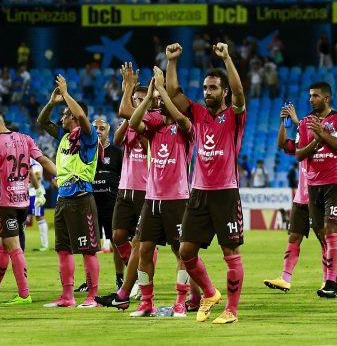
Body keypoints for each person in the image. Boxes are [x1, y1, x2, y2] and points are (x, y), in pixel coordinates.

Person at [165, 42, 246, 324]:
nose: (207, 92)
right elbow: (173, 94)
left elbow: (239, 93)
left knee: (230, 252)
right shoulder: (197, 113)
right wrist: (172, 61)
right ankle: (210, 293)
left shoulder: (234, 115)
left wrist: (227, 58)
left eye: (213, 88)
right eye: (205, 88)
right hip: (198, 192)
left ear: (223, 92)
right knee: (186, 251)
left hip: (225, 193)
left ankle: (231, 311)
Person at [124, 67, 195, 318]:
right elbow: (133, 122)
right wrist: (148, 96)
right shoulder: (153, 125)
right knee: (144, 250)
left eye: (163, 100)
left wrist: (163, 91)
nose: (160, 104)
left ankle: (181, 301)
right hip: (152, 199)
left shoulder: (186, 126)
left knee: (182, 252)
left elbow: (182, 120)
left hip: (177, 199)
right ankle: (146, 302)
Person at [36, 74, 100, 309]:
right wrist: (53, 102)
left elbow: (82, 116)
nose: (61, 118)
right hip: (63, 198)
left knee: (88, 251)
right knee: (63, 250)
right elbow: (42, 121)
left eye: (64, 114)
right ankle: (67, 296)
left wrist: (66, 94)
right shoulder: (64, 137)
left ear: (72, 116)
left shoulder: (88, 137)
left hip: (81, 198)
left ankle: (92, 296)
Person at [0, 108, 57, 303]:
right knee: (2, 245)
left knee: (13, 247)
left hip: (5, 203)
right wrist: (63, 176)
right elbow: (43, 161)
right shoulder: (26, 138)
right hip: (23, 201)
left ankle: (24, 294)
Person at [96, 63, 150, 310]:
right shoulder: (129, 124)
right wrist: (130, 115)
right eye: (134, 99)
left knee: (142, 242)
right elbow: (117, 140)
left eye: (141, 99)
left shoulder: (152, 124)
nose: (136, 103)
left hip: (145, 190)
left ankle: (140, 283)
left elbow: (148, 147)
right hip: (124, 189)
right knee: (117, 236)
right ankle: (134, 276)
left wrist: (136, 117)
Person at [295, 81, 337, 300]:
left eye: (316, 96)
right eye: (310, 95)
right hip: (313, 184)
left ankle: (329, 282)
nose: (311, 99)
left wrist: (323, 135)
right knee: (322, 235)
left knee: (330, 230)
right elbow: (299, 154)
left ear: (326, 98)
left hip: (336, 181)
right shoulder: (304, 122)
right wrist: (315, 142)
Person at [265, 101, 324, 293]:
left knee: (325, 239)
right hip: (301, 197)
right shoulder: (302, 141)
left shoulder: (324, 140)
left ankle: (328, 280)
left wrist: (298, 121)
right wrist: (284, 123)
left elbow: (315, 141)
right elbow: (282, 143)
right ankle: (285, 278)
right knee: (294, 237)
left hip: (319, 196)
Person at [82, 115, 123, 293]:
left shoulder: (117, 153)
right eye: (95, 128)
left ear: (109, 131)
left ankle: (120, 278)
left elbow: (124, 176)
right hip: (90, 205)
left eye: (102, 128)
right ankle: (89, 281)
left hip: (112, 206)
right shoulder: (85, 151)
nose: (98, 131)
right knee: (89, 247)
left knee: (117, 244)